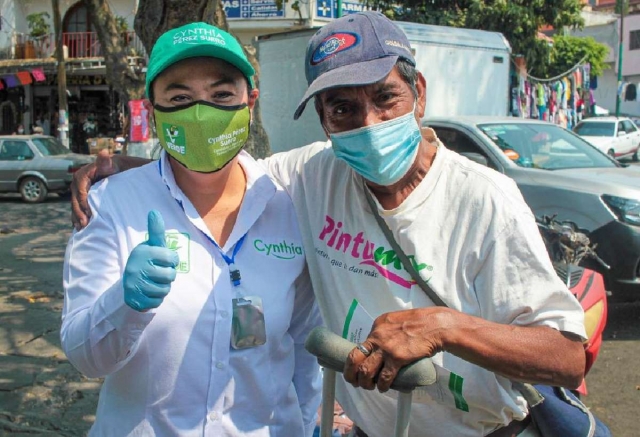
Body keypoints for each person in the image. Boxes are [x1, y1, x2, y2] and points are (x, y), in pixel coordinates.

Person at [70, 12, 587, 437]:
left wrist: (442, 326)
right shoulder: (314, 175)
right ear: (322, 118)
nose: (368, 123)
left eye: (386, 96)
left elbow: (567, 356)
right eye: (343, 107)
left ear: (419, 93)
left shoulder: (483, 198)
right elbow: (212, 170)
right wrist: (126, 170)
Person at [62, 22, 322, 436]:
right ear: (152, 109)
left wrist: (311, 425)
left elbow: (304, 344)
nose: (202, 114)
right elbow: (85, 358)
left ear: (250, 102)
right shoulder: (110, 204)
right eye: (180, 98)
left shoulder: (289, 205)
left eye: (222, 95)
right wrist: (125, 304)